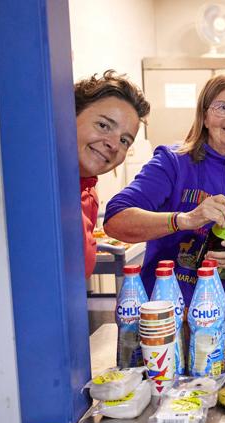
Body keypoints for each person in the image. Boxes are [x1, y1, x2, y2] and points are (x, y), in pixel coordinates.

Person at [103, 74, 225, 319]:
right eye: (222, 107)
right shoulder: (173, 162)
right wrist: (184, 219)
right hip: (168, 321)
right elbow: (115, 219)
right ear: (204, 117)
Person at [75, 70, 150, 279]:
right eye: (103, 125)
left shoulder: (88, 195)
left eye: (125, 140)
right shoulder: (37, 186)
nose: (114, 144)